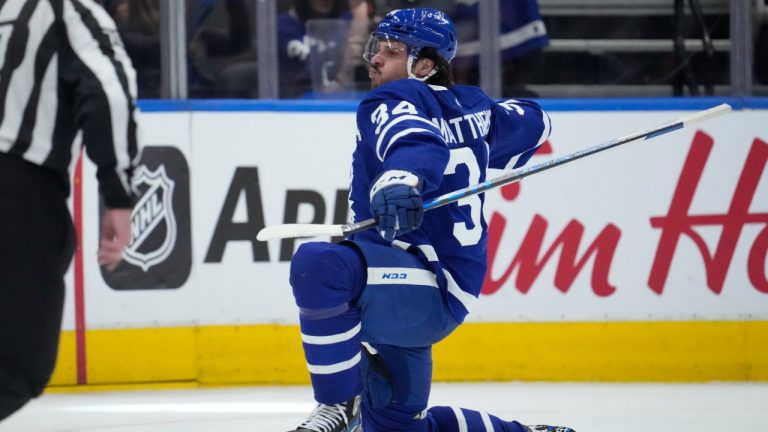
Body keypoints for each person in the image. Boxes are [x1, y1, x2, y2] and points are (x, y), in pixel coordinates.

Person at [285, 7, 575, 432]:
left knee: (319, 266)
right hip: (427, 293)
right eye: (375, 47)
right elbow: (536, 122)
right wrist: (492, 119)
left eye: (392, 50)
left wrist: (403, 176)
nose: (375, 59)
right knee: (399, 427)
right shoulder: (474, 107)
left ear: (423, 66)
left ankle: (339, 402)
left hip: (417, 282)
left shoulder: (390, 99)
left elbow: (414, 141)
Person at [0, 0, 139, 422]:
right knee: (18, 362)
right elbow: (108, 92)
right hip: (17, 187)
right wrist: (118, 194)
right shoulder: (67, 10)